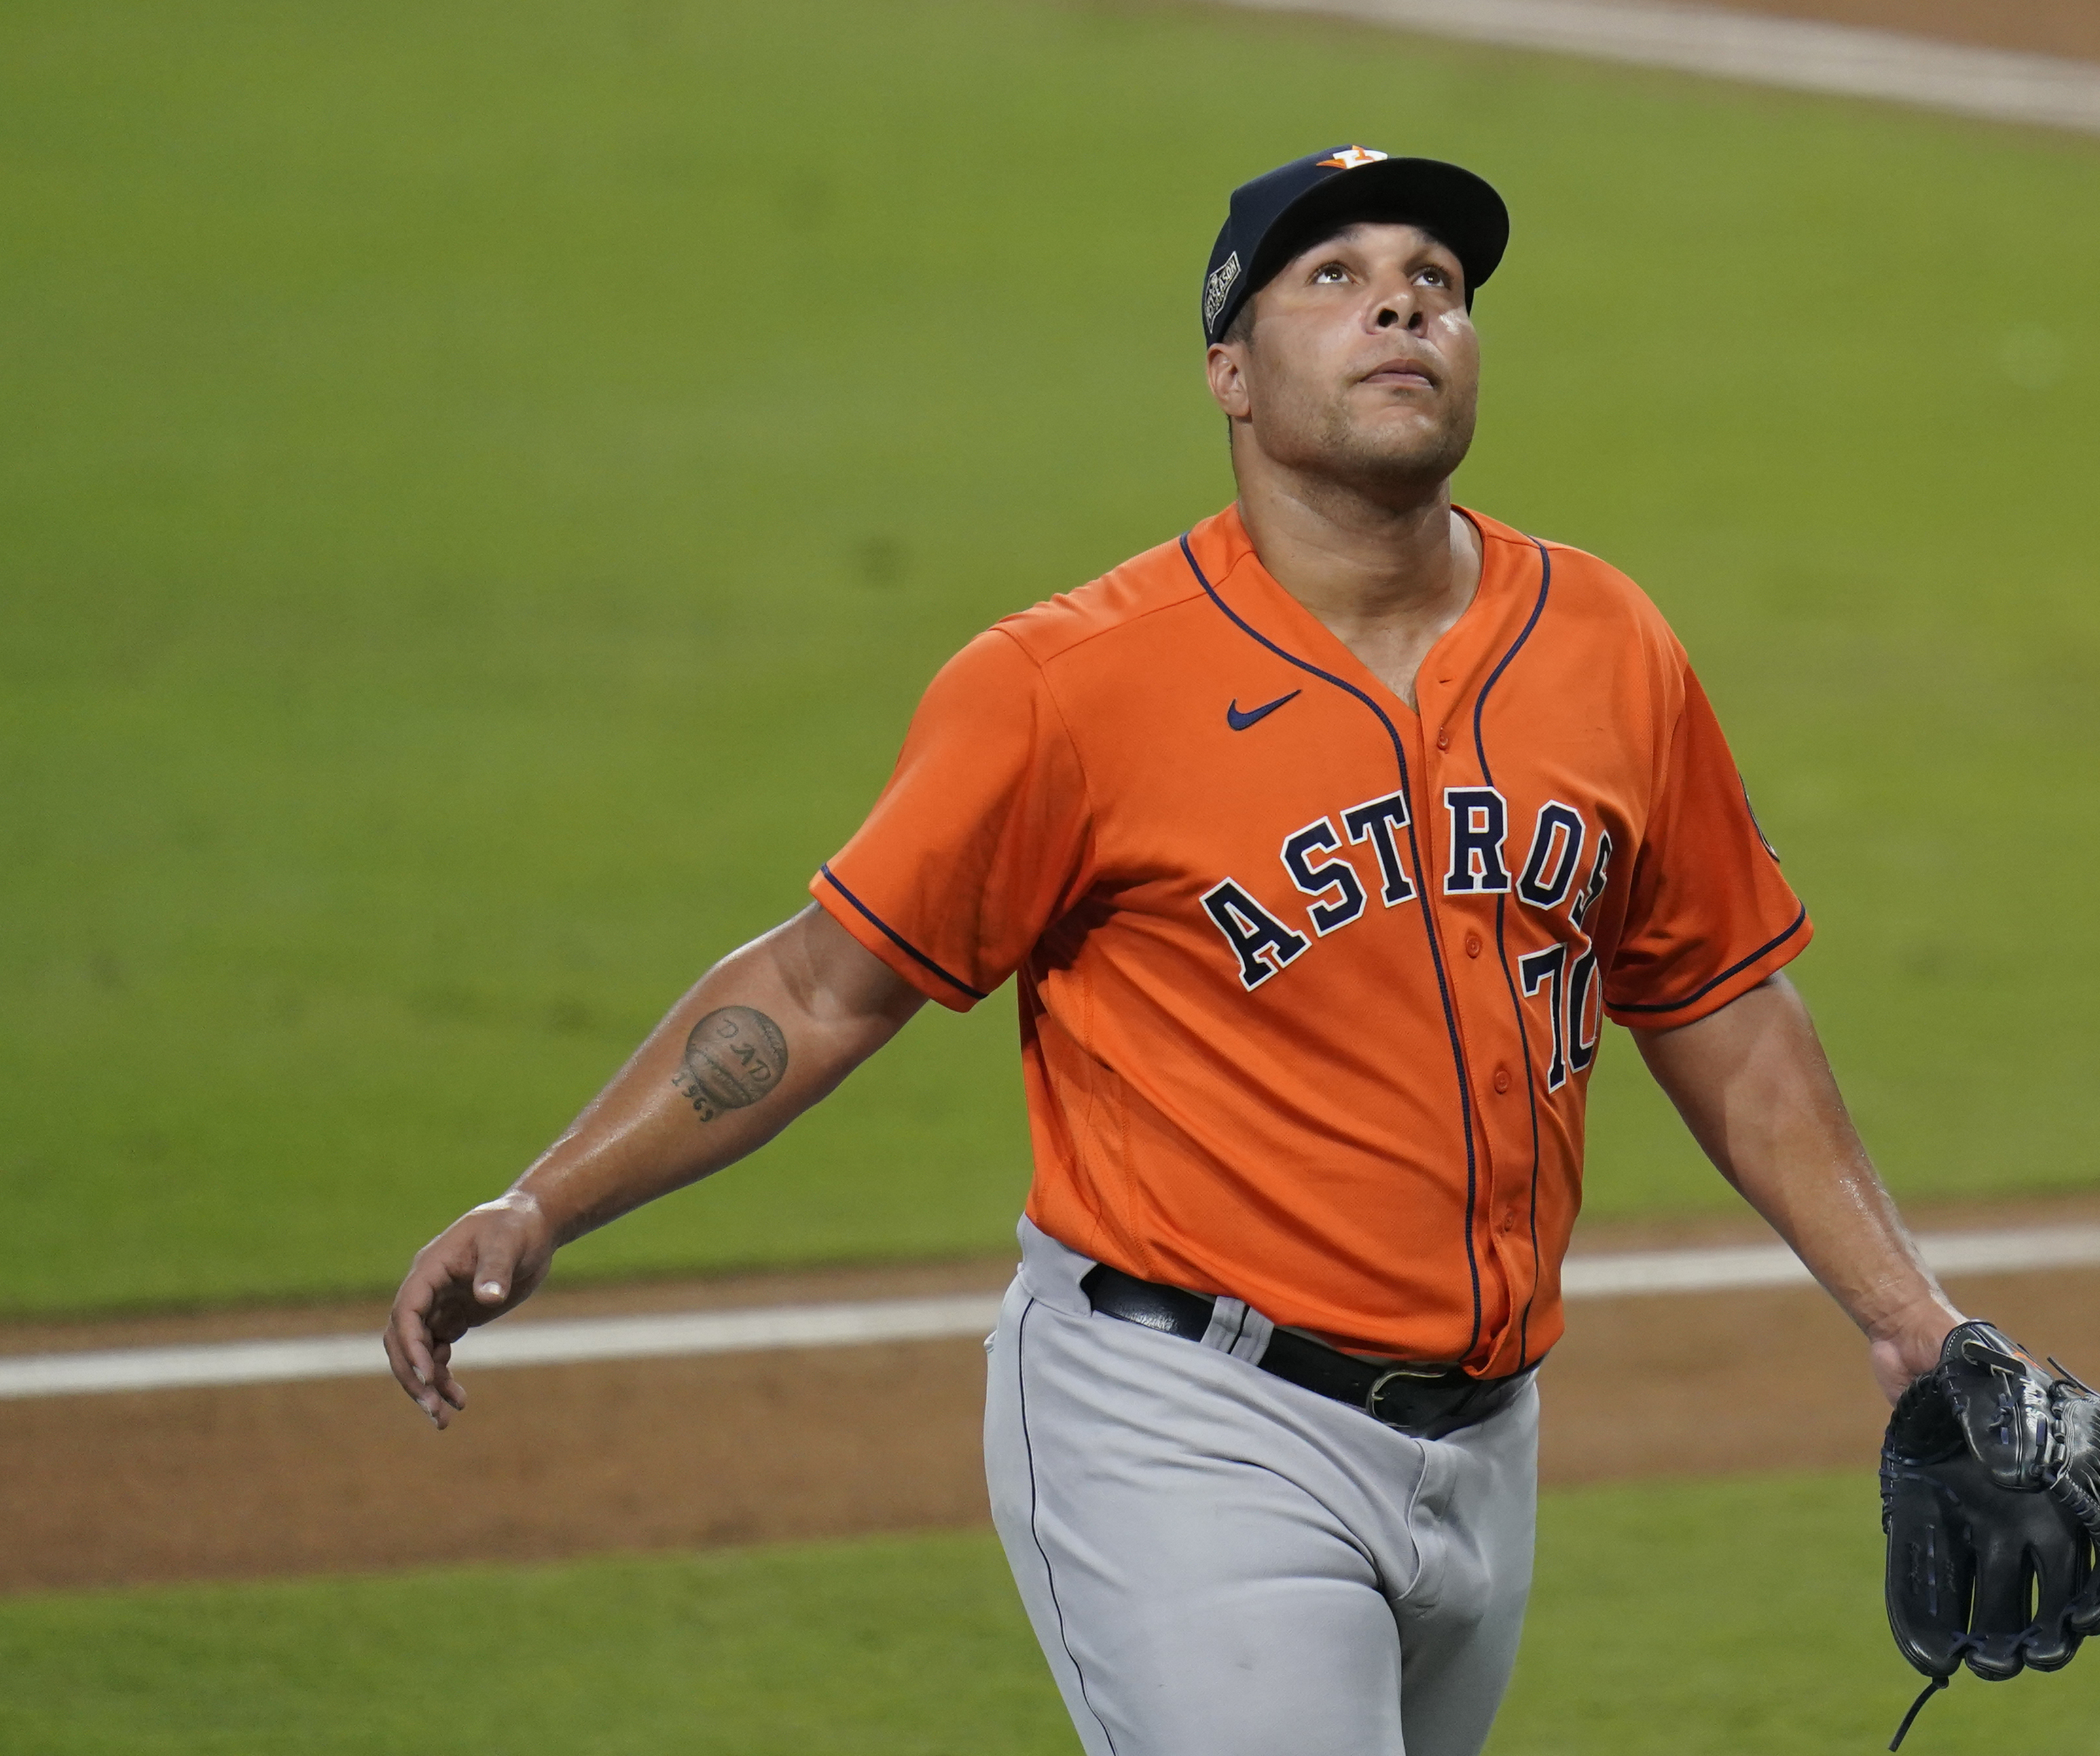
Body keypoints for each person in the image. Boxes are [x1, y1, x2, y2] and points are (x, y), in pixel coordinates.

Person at [386, 145, 1966, 1756]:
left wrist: (1907, 1317)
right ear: (1228, 367)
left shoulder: (1605, 642)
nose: (1401, 304)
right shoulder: (1071, 688)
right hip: (1184, 1428)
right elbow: (818, 984)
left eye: (1436, 279)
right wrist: (545, 1198)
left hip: (1488, 1445)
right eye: (1331, 279)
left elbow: (1721, 1008)